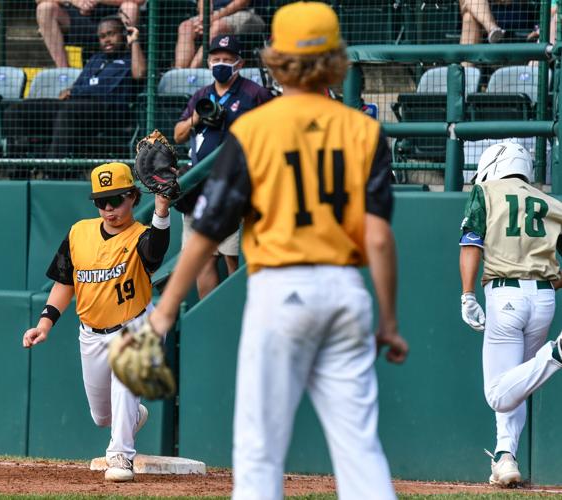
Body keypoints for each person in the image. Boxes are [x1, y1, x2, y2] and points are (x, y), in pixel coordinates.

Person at [149, 3, 408, 499]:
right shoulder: (364, 129)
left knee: (259, 451)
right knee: (359, 449)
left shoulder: (255, 129)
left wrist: (164, 312)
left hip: (280, 289)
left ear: (275, 60)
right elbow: (378, 236)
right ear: (335, 59)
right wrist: (390, 321)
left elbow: (206, 231)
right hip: (345, 292)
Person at [22, 162, 171, 482]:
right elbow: (65, 282)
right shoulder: (79, 233)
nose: (108, 208)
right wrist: (45, 323)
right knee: (102, 415)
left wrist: (161, 208)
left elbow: (156, 253)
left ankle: (120, 455)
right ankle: (130, 417)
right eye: (101, 201)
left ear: (133, 197)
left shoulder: (141, 235)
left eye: (116, 199)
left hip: (135, 326)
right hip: (91, 333)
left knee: (126, 376)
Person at [459, 142, 562, 488]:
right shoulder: (550, 202)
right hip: (544, 300)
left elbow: (471, 242)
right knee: (517, 383)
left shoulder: (485, 191)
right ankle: (505, 457)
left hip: (505, 295)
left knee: (498, 393)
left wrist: (467, 294)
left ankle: (556, 354)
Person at [173, 34, 271, 298]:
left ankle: (236, 313)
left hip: (236, 187)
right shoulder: (201, 95)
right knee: (203, 259)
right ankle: (212, 316)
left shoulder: (255, 93)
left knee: (232, 258)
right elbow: (178, 134)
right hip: (200, 188)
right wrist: (197, 116)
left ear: (239, 63)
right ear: (208, 62)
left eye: (227, 59)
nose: (221, 64)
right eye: (216, 59)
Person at [48, 15, 145, 159]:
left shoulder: (131, 57)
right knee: (22, 110)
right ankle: (18, 168)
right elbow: (76, 87)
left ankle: (53, 169)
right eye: (102, 37)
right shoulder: (95, 59)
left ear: (124, 34)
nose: (106, 40)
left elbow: (140, 74)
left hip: (110, 109)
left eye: (111, 34)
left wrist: (134, 41)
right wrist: (67, 91)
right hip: (79, 106)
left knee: (69, 110)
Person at [36, 0, 143, 68]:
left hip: (115, 20)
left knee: (131, 7)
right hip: (80, 21)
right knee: (45, 8)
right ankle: (64, 72)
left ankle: (123, 65)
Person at [175, 0, 264, 69]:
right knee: (186, 26)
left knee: (217, 26)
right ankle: (178, 72)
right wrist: (203, 18)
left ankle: (192, 72)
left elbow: (242, 2)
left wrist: (213, 18)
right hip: (212, 15)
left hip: (245, 13)